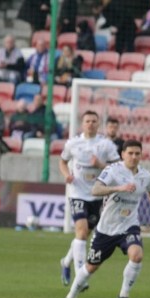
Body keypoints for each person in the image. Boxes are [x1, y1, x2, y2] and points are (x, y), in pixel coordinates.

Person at [59, 139, 150, 298]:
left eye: (137, 153)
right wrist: (119, 188)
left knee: (137, 255)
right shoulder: (113, 170)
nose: (133, 157)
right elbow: (96, 189)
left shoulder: (145, 176)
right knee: (90, 268)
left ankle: (123, 295)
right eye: (130, 153)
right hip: (106, 230)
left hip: (129, 226)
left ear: (141, 155)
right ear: (123, 154)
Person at [58, 110, 121, 287]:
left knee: (85, 234)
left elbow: (118, 167)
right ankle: (80, 276)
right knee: (81, 231)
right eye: (87, 121)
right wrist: (66, 175)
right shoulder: (73, 143)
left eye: (94, 121)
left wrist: (100, 165)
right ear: (82, 123)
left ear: (98, 124)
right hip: (77, 193)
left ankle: (66, 261)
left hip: (97, 194)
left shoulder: (105, 144)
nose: (91, 124)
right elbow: (62, 161)